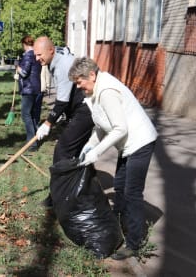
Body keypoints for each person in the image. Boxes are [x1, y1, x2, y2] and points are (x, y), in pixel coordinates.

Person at [68, 57, 157, 260]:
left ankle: (135, 242)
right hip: (127, 145)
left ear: (91, 75)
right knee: (119, 185)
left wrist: (97, 152)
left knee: (132, 193)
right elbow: (101, 125)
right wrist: (90, 144)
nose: (78, 85)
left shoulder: (107, 92)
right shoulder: (95, 91)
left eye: (79, 81)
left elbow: (120, 129)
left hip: (140, 142)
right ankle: (117, 224)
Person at [33, 36, 94, 207]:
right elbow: (64, 100)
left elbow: (62, 101)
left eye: (39, 55)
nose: (37, 59)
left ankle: (57, 197)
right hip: (78, 111)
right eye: (36, 56)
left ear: (51, 50)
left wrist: (47, 123)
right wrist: (58, 116)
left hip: (85, 111)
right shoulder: (56, 63)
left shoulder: (64, 65)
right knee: (79, 154)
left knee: (62, 152)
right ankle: (81, 193)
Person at [14, 35, 42, 151]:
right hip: (37, 88)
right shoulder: (37, 55)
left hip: (28, 89)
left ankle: (31, 143)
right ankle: (36, 140)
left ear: (24, 45)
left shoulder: (28, 56)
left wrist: (17, 66)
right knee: (34, 116)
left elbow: (24, 72)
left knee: (26, 115)